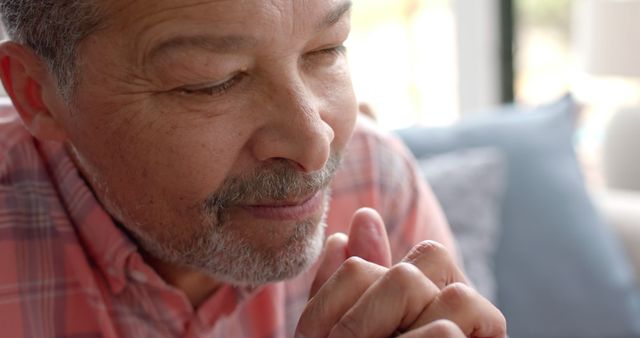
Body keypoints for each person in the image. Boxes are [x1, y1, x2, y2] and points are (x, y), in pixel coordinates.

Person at [0, 0, 506, 337]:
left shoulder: (376, 181)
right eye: (211, 82)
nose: (316, 143)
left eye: (327, 50)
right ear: (34, 93)